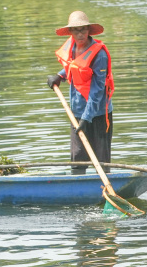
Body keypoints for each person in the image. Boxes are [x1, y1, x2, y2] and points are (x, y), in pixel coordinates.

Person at [46, 11, 115, 173]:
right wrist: (59, 76)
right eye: (76, 30)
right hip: (77, 111)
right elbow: (73, 66)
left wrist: (87, 117)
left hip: (98, 113)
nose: (80, 34)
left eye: (83, 29)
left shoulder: (100, 54)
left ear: (89, 30)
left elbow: (98, 90)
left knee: (101, 161)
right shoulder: (71, 47)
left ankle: (104, 188)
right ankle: (78, 188)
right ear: (70, 32)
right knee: (78, 158)